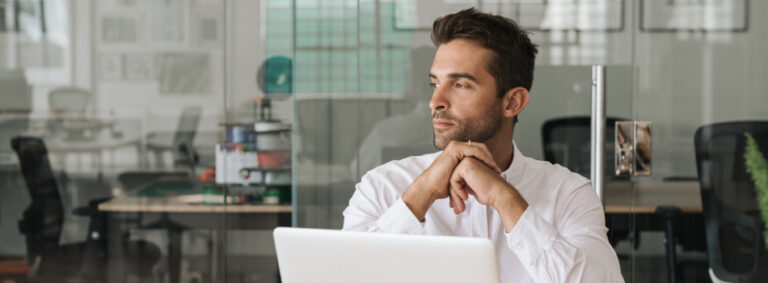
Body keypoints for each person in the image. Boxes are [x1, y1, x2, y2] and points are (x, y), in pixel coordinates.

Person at [342, 8, 624, 282]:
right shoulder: (382, 188)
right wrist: (419, 196)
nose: (435, 101)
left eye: (460, 85)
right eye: (435, 83)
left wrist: (506, 199)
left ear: (513, 102)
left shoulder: (568, 193)